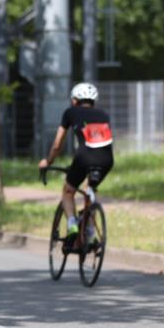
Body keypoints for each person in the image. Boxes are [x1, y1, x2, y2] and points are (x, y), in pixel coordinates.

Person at [38, 82, 114, 241]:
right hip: (107, 159)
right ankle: (91, 233)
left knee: (68, 191)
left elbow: (57, 144)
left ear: (74, 100)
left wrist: (48, 161)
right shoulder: (104, 115)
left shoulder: (70, 112)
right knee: (91, 190)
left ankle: (72, 224)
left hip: (84, 157)